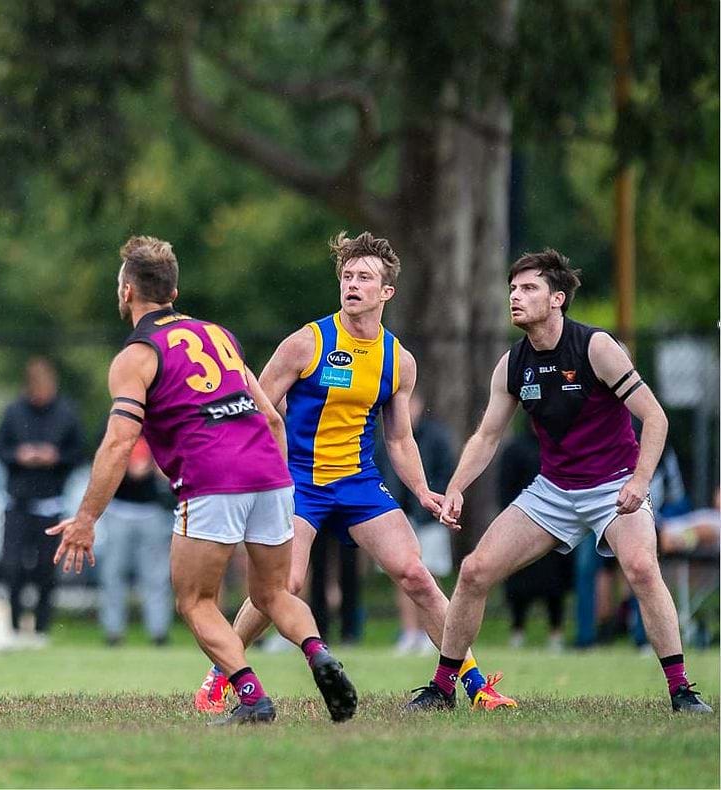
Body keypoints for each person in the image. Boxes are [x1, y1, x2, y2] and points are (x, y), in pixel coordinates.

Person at [193, 232, 515, 713]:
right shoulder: (308, 342)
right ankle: (220, 675)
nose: (352, 284)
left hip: (359, 483)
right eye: (347, 276)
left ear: (387, 292)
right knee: (284, 587)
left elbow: (400, 439)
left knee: (416, 575)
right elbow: (258, 405)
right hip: (300, 481)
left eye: (364, 277)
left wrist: (424, 490)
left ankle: (473, 684)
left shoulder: (397, 359)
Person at [49, 236, 357, 725]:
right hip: (271, 473)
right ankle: (319, 653)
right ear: (173, 289)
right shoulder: (218, 334)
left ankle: (252, 697)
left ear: (127, 290)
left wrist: (86, 519)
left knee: (195, 601)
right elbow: (273, 420)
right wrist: (279, 481)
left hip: (212, 477)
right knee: (274, 593)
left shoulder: (137, 354)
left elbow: (117, 444)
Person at [406, 249, 711, 713]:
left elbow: (655, 417)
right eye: (513, 288)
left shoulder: (597, 348)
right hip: (553, 491)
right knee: (472, 572)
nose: (516, 296)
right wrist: (455, 487)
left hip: (614, 485)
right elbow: (487, 436)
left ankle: (682, 691)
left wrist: (641, 481)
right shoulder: (512, 364)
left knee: (643, 570)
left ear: (558, 299)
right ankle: (444, 688)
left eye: (529, 288)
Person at [0, 357, 85, 642]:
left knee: (46, 569)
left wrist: (55, 458)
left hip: (50, 504)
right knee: (13, 568)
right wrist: (18, 455)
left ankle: (42, 629)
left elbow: (79, 452)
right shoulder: (13, 412)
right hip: (17, 504)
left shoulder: (67, 414)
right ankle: (16, 627)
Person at [377, 388, 456, 653]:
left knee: (429, 575)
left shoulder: (436, 437)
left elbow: (446, 472)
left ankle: (434, 634)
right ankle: (410, 632)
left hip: (430, 518)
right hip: (400, 515)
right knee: (403, 576)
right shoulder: (384, 438)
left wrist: (436, 504)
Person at [498, 423, 571, 651]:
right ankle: (517, 630)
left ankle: (556, 632)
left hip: (557, 524)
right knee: (519, 584)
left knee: (555, 584)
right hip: (522, 524)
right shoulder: (515, 450)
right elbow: (504, 489)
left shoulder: (563, 445)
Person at [95, 436, 173, 647]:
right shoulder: (114, 420)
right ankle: (113, 631)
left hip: (152, 509)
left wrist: (153, 468)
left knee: (156, 575)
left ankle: (158, 632)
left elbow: (172, 465)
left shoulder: (160, 422)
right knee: (113, 572)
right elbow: (101, 460)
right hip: (119, 507)